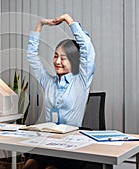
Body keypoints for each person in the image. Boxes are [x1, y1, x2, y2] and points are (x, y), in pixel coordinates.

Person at [23, 14, 95, 169]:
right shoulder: (48, 82)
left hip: (72, 146)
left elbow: (87, 49)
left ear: (74, 60)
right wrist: (40, 25)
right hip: (49, 143)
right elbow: (32, 57)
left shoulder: (81, 81)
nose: (57, 62)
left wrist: (68, 20)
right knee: (29, 166)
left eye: (63, 58)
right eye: (55, 56)